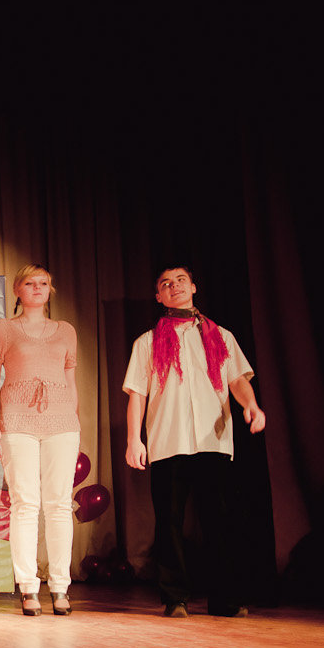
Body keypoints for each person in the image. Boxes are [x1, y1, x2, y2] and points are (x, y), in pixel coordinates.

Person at [123, 265, 266, 618]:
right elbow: (137, 394)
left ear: (194, 287)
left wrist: (250, 405)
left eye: (180, 281)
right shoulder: (147, 342)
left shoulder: (221, 336)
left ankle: (225, 599)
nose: (174, 287)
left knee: (220, 521)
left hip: (212, 441)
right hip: (168, 441)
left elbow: (237, 379)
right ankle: (175, 598)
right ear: (158, 296)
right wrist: (133, 440)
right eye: (166, 284)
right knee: (168, 522)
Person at [0, 264, 80, 616]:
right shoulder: (3, 329)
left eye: (44, 283)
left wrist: (74, 418)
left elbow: (70, 380)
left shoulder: (66, 330)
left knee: (59, 504)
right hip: (17, 419)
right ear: (18, 289)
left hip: (62, 421)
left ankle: (60, 587)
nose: (38, 288)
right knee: (25, 503)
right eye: (30, 283)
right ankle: (28, 586)